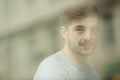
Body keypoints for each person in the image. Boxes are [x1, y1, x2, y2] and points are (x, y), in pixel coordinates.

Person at [34, 1, 100, 80]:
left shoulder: (91, 71)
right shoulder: (52, 69)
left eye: (94, 29)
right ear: (64, 33)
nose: (88, 37)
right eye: (80, 29)